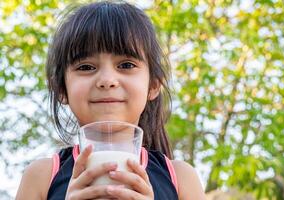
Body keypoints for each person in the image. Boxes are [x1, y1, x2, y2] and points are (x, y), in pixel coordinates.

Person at [16, 1, 205, 199]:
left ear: (154, 85)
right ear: (61, 89)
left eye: (126, 64)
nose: (107, 81)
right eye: (86, 67)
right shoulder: (41, 177)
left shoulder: (181, 179)